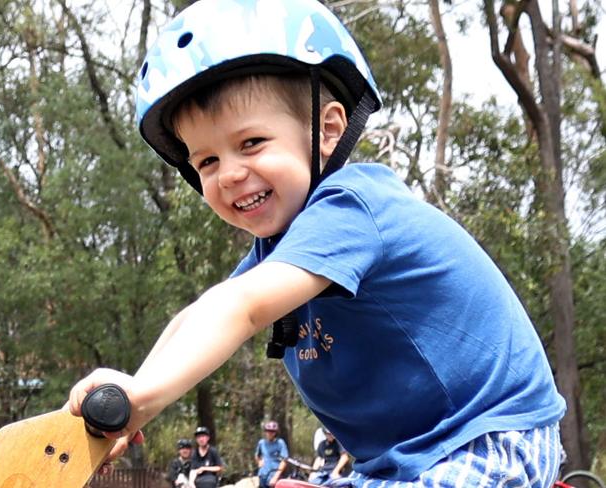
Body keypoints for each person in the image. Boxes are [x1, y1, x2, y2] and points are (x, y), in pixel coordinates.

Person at [68, 0, 567, 486]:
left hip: (491, 438)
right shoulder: (274, 255)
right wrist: (130, 401)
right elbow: (198, 315)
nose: (230, 174)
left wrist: (144, 398)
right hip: (397, 466)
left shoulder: (353, 206)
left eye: (251, 143)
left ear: (328, 129)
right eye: (207, 162)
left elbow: (239, 310)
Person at [255, 421, 288, 488]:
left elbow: (284, 460)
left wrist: (276, 477)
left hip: (274, 475)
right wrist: (259, 461)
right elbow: (257, 455)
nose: (270, 433)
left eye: (272, 431)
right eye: (268, 431)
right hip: (263, 475)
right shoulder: (261, 443)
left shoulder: (280, 443)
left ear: (275, 433)